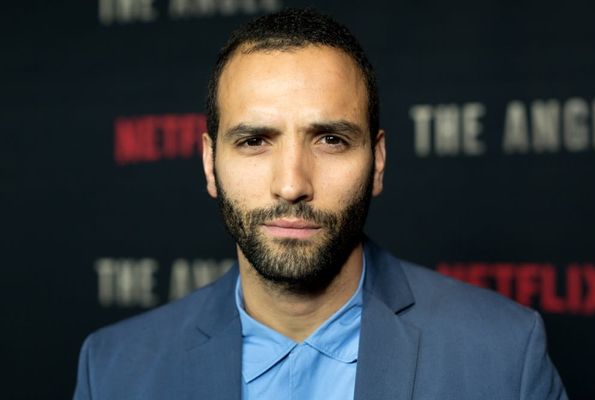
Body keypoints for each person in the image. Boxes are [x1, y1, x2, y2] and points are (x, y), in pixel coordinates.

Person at [74, 8, 568, 400]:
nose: (292, 185)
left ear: (377, 162)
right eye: (254, 141)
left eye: (331, 140)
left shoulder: (504, 355)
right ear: (209, 163)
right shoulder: (114, 370)